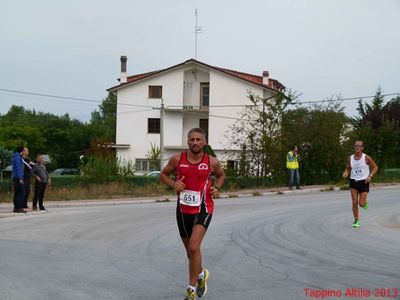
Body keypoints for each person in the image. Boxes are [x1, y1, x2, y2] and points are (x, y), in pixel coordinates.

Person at [160, 128, 225, 300]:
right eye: (192, 139)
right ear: (188, 142)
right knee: (190, 253)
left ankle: (191, 289)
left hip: (204, 207)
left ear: (204, 143)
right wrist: (173, 184)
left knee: (194, 247)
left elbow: (221, 176)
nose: (195, 142)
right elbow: (163, 175)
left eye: (198, 139)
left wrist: (217, 188)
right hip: (182, 210)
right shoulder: (177, 159)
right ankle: (202, 275)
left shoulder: (212, 161)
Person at [342, 140, 378, 228]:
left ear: (362, 148)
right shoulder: (350, 158)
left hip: (364, 182)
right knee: (354, 202)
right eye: (356, 146)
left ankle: (364, 203)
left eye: (359, 146)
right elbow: (348, 168)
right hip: (353, 181)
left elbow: (375, 167)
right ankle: (356, 220)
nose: (357, 147)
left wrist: (370, 176)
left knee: (361, 204)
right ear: (354, 147)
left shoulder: (366, 158)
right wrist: (346, 173)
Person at [12, 146, 26, 213]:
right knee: (21, 192)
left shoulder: (16, 156)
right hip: (18, 178)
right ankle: (19, 207)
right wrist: (20, 178)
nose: (25, 151)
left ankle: (16, 207)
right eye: (24, 150)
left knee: (17, 193)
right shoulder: (18, 157)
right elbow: (18, 168)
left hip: (15, 177)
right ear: (22, 151)